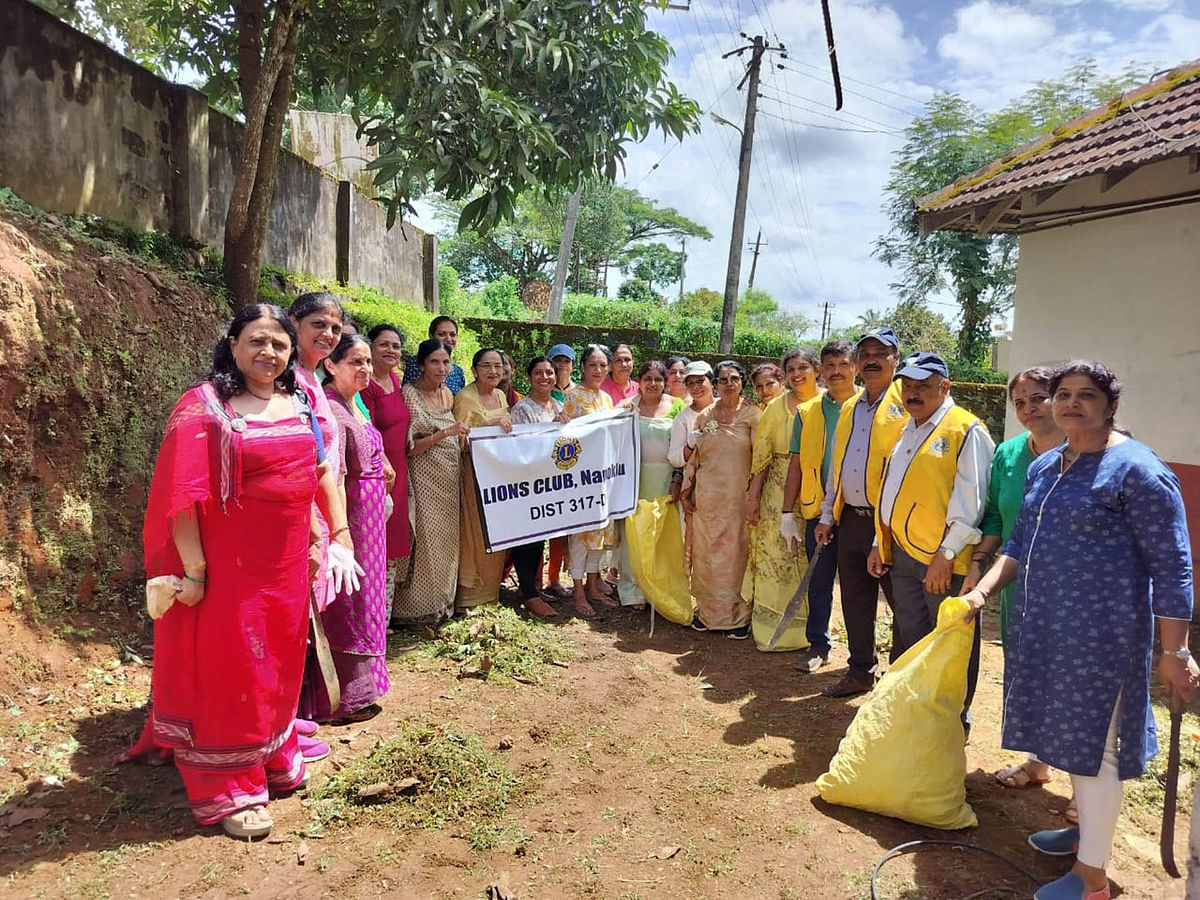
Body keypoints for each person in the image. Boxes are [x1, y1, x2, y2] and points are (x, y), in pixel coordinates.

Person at [120, 304, 359, 839]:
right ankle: (227, 782)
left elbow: (319, 472)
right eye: (256, 341)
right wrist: (197, 575)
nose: (269, 352)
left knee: (275, 667)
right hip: (228, 572)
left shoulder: (296, 402)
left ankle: (271, 754)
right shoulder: (205, 408)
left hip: (288, 566)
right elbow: (182, 500)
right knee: (234, 672)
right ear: (232, 345)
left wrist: (333, 536)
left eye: (278, 343)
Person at [963, 360, 1196, 900]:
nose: (1070, 402)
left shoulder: (1138, 470)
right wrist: (980, 590)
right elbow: (1019, 545)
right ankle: (1085, 834)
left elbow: (1173, 565)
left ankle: (1093, 880)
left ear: (1110, 406)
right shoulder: (1047, 467)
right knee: (1066, 735)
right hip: (1045, 628)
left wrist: (1175, 649)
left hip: (1103, 636)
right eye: (1062, 393)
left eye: (1085, 395)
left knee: (1100, 748)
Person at [868, 352, 994, 735]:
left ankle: (953, 721)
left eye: (923, 386)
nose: (912, 393)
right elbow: (893, 490)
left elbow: (970, 500)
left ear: (945, 387)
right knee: (911, 634)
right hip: (904, 554)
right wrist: (879, 540)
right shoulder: (908, 428)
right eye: (907, 386)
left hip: (943, 560)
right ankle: (918, 713)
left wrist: (948, 553)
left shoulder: (965, 430)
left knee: (951, 641)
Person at [967, 367, 1069, 796]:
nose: (1029, 409)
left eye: (1039, 398)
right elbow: (994, 514)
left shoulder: (1085, 453)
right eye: (1020, 402)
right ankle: (1038, 761)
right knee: (1026, 672)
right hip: (1016, 586)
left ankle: (1087, 788)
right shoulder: (1009, 454)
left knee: (1069, 678)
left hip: (1071, 589)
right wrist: (977, 563)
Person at [301, 334, 392, 724]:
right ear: (330, 365)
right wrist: (339, 532)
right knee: (349, 599)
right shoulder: (330, 410)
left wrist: (384, 465)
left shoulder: (356, 405)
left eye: (368, 362)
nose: (366, 369)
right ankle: (345, 694)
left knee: (369, 594)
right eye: (356, 362)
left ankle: (368, 684)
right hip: (349, 512)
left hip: (372, 514)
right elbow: (330, 473)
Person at [813, 328, 908, 697]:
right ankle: (860, 670)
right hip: (850, 518)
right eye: (864, 352)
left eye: (880, 353)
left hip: (889, 524)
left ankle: (898, 682)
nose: (871, 359)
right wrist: (826, 515)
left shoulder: (906, 404)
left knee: (901, 604)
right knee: (854, 598)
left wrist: (880, 534)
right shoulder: (851, 406)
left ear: (895, 361)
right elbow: (838, 466)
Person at [780, 340, 857, 672]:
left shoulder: (873, 407)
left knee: (858, 588)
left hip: (859, 512)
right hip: (818, 512)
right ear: (821, 371)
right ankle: (818, 645)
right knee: (819, 581)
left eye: (843, 363)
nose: (836, 371)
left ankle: (862, 655)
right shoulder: (808, 412)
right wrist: (786, 512)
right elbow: (796, 464)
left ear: (854, 366)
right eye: (830, 365)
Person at [743, 350, 819, 650]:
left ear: (816, 370)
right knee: (773, 554)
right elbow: (761, 458)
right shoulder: (775, 408)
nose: (797, 374)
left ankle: (807, 629)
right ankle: (769, 627)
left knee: (807, 556)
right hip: (776, 491)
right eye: (791, 369)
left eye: (804, 367)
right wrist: (753, 499)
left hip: (814, 490)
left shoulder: (827, 403)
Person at [679, 360, 761, 639]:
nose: (728, 383)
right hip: (707, 499)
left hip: (738, 499)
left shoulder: (752, 414)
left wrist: (755, 496)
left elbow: (761, 459)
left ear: (742, 383)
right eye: (723, 379)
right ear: (716, 384)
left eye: (734, 378)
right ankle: (706, 613)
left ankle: (737, 618)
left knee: (734, 555)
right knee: (705, 555)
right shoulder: (705, 416)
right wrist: (686, 490)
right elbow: (694, 460)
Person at [392, 339, 467, 626]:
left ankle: (443, 605)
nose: (441, 367)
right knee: (425, 540)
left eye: (446, 362)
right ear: (421, 364)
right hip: (423, 478)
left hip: (449, 477)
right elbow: (410, 447)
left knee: (447, 540)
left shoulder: (448, 393)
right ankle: (414, 611)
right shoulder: (411, 394)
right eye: (434, 361)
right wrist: (445, 433)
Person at [618, 360, 687, 610]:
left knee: (662, 534)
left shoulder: (677, 406)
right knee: (634, 534)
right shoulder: (627, 407)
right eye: (647, 378)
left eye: (658, 379)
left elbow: (682, 446)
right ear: (639, 381)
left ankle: (660, 591)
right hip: (634, 479)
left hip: (666, 478)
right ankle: (632, 590)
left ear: (665, 381)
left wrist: (677, 479)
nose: (653, 384)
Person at [563, 344, 624, 615]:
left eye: (602, 365)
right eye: (592, 365)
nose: (598, 370)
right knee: (580, 535)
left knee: (600, 532)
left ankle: (592, 586)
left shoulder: (607, 399)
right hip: (581, 478)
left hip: (604, 477)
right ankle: (577, 592)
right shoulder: (573, 397)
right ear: (583, 367)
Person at [509, 356, 570, 618]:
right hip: (530, 481)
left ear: (556, 377)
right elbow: (518, 445)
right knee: (529, 539)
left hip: (554, 482)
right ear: (530, 376)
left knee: (543, 536)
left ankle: (535, 586)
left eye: (549, 373)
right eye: (538, 373)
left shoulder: (560, 406)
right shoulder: (522, 409)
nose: (545, 377)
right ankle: (529, 594)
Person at [454, 348, 513, 609]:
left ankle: (490, 594)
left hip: (498, 474)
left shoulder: (500, 394)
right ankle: (469, 597)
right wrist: (488, 429)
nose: (493, 371)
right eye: (486, 366)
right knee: (475, 534)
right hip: (473, 474)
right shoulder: (467, 397)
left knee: (496, 529)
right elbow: (459, 439)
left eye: (497, 366)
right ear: (475, 370)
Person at [361, 323, 411, 608]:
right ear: (371, 347)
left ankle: (385, 614)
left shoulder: (395, 379)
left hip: (399, 471)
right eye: (384, 345)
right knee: (374, 543)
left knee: (392, 545)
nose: (391, 350)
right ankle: (370, 611)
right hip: (378, 471)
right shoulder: (365, 386)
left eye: (395, 346)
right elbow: (367, 431)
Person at [544, 343, 577, 594]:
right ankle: (536, 578)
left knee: (562, 529)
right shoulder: (543, 390)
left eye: (566, 361)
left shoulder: (579, 393)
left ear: (573, 365)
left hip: (572, 463)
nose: (561, 366)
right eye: (557, 361)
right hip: (546, 463)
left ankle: (554, 578)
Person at [403, 316, 466, 394]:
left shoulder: (458, 371)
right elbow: (410, 392)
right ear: (431, 336)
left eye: (452, 335)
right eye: (442, 334)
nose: (449, 339)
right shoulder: (417, 363)